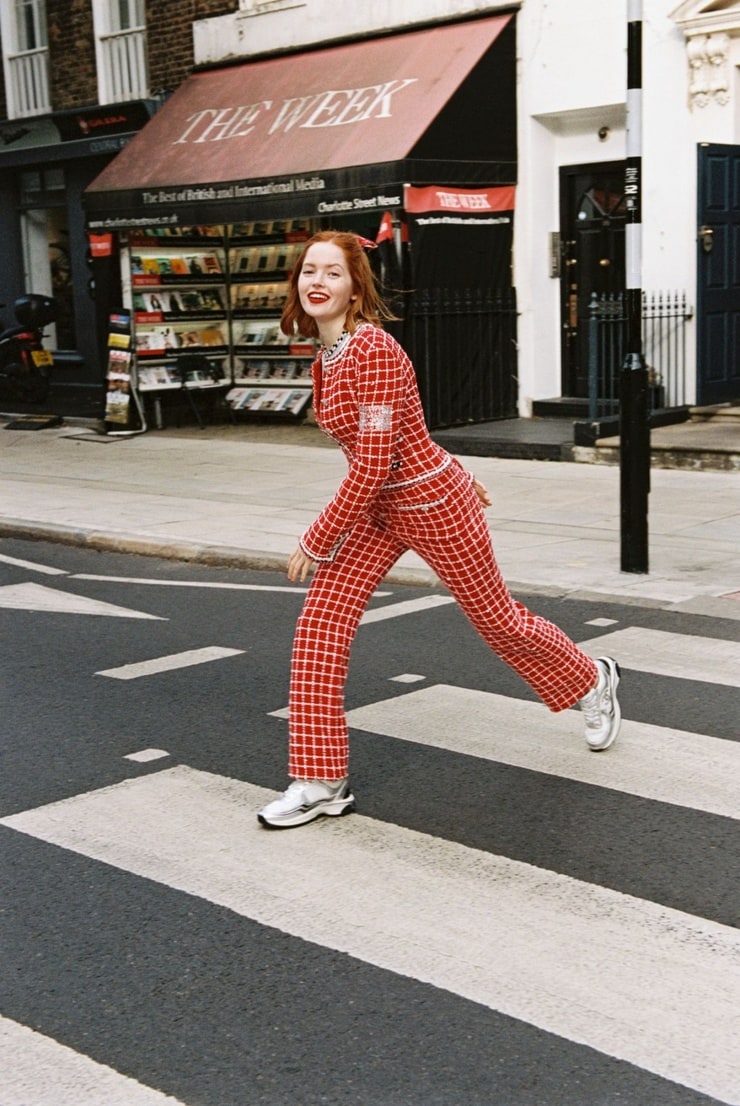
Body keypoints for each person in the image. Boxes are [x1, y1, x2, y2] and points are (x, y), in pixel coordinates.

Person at [258, 231, 621, 829]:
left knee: (497, 622)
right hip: (379, 509)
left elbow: (375, 459)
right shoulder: (325, 359)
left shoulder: (373, 350)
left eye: (332, 273)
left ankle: (591, 679)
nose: (317, 282)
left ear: (355, 290)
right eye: (308, 271)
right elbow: (388, 447)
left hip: (430, 504)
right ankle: (321, 782)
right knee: (319, 628)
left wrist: (316, 537)